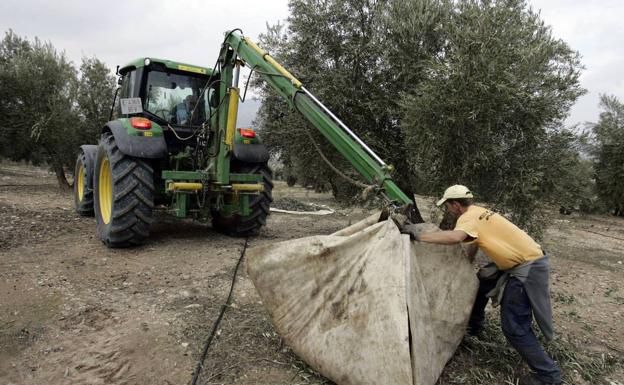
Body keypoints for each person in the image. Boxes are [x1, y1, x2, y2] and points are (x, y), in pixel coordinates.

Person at [404, 185, 562, 385]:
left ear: (455, 204)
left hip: (527, 268)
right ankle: (473, 327)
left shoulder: (467, 217)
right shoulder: (479, 212)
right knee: (482, 281)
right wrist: (467, 266)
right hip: (523, 260)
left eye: (447, 206)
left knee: (514, 326)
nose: (447, 210)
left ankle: (549, 376)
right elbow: (475, 242)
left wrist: (417, 235)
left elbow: (455, 238)